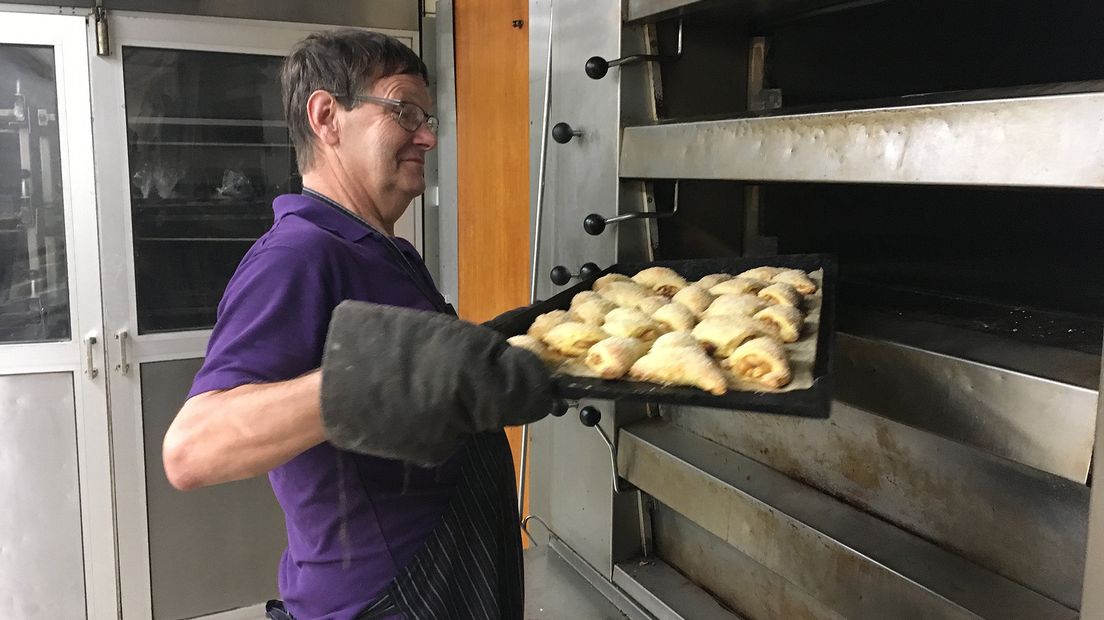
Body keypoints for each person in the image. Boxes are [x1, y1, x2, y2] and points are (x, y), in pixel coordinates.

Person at [162, 29, 554, 620]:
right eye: (404, 111)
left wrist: (481, 351)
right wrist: (369, 378)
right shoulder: (298, 256)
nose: (426, 135)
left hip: (456, 569)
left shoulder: (384, 250)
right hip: (388, 596)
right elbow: (193, 449)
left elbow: (416, 380)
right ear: (327, 116)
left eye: (427, 117)